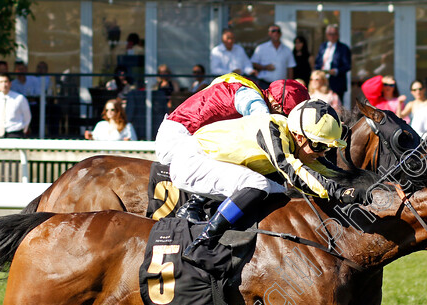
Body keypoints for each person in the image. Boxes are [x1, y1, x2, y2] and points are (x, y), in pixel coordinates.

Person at [182, 100, 362, 268]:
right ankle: (202, 244)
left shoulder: (294, 137)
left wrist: (362, 184)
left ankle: (237, 242)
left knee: (279, 192)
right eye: (320, 146)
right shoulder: (272, 129)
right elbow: (294, 173)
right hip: (191, 161)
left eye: (327, 148)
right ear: (299, 137)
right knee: (259, 184)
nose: (323, 153)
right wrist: (340, 193)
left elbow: (327, 170)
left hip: (216, 164)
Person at [155, 74, 310, 222]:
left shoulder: (249, 88)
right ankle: (194, 206)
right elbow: (263, 136)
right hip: (177, 142)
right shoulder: (255, 103)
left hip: (177, 134)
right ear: (276, 104)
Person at [314, 24, 351, 102]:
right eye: (330, 34)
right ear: (327, 35)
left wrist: (336, 71)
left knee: (337, 106)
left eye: (335, 34)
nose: (332, 36)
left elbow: (347, 65)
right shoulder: (323, 46)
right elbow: (318, 62)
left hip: (336, 82)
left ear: (338, 35)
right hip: (323, 80)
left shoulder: (343, 48)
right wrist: (318, 72)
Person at [251, 24, 295, 89]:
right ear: (269, 33)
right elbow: (253, 63)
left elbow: (290, 68)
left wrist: (290, 85)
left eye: (278, 31)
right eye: (273, 31)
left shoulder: (287, 50)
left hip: (281, 86)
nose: (276, 33)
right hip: (264, 84)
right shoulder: (261, 48)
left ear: (281, 34)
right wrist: (265, 67)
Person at [0, 73, 31, 138]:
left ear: (10, 83)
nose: (4, 85)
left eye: (6, 82)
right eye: (1, 82)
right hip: (1, 133)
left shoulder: (19, 98)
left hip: (16, 133)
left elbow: (27, 116)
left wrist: (24, 129)